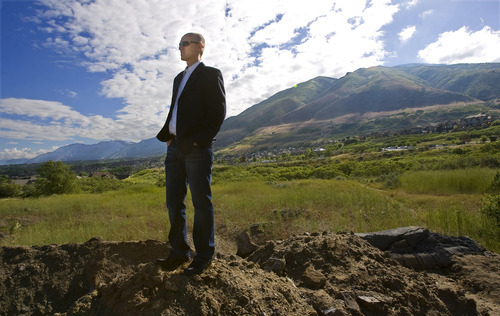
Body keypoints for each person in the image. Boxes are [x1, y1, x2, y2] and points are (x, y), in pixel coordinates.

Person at [156, 32, 226, 275]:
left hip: (196, 149)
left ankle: (203, 255)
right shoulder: (178, 78)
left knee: (200, 202)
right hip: (174, 147)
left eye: (185, 43)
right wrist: (169, 137)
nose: (180, 48)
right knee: (173, 201)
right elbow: (176, 109)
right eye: (179, 44)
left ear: (200, 46)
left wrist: (199, 141)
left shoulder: (210, 74)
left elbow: (218, 112)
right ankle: (179, 252)